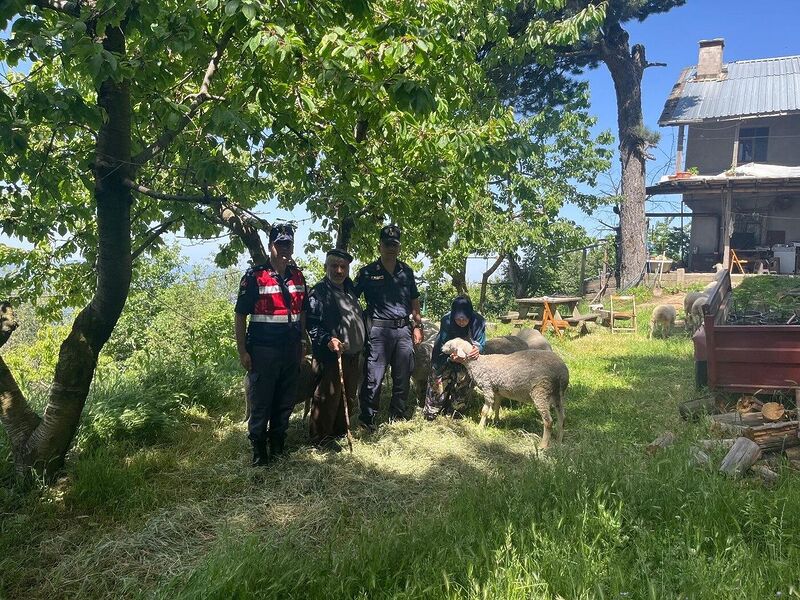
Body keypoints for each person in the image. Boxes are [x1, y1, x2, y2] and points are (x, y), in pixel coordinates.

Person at [235, 223, 308, 466]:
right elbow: (240, 315)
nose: (284, 249)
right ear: (270, 246)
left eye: (288, 244)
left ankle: (278, 444)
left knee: (285, 400)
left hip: (290, 349)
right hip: (263, 350)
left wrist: (302, 340)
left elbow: (302, 311)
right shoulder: (254, 276)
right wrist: (243, 350)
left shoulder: (298, 276)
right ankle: (259, 451)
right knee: (261, 401)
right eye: (280, 244)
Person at [354, 225, 423, 428]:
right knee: (373, 377)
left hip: (403, 330)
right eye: (387, 244)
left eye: (394, 244)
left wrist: (417, 326)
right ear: (380, 246)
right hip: (378, 331)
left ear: (399, 247)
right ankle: (367, 418)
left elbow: (414, 299)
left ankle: (398, 415)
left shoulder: (406, 271)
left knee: (403, 375)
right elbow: (350, 298)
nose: (390, 248)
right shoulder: (367, 272)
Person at [306, 248, 366, 451]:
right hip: (331, 355)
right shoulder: (319, 292)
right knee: (327, 397)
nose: (339, 270)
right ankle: (320, 440)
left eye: (343, 267)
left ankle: (338, 432)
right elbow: (312, 325)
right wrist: (328, 340)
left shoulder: (348, 288)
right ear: (326, 267)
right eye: (334, 266)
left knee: (346, 395)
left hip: (351, 355)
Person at [423, 295, 486, 420]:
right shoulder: (447, 320)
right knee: (439, 383)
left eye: (465, 319)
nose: (461, 322)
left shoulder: (478, 321)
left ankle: (455, 412)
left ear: (470, 316)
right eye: (458, 319)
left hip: (467, 359)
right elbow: (444, 344)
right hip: (444, 355)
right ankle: (432, 411)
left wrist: (477, 350)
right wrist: (451, 357)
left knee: (463, 381)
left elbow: (481, 342)